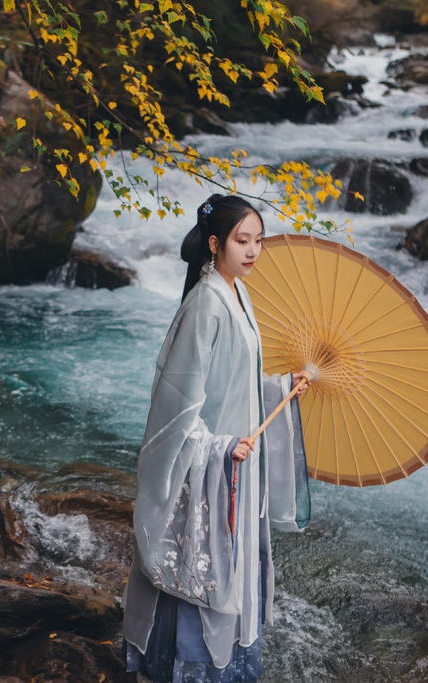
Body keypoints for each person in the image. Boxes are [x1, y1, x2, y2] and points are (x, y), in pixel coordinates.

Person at [122, 193, 313, 682]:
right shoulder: (205, 304)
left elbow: (236, 383)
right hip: (213, 465)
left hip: (235, 462)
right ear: (215, 243)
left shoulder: (238, 293)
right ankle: (185, 670)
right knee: (201, 563)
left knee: (227, 563)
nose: (252, 251)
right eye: (241, 241)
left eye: (258, 242)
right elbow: (177, 408)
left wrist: (281, 389)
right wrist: (220, 447)